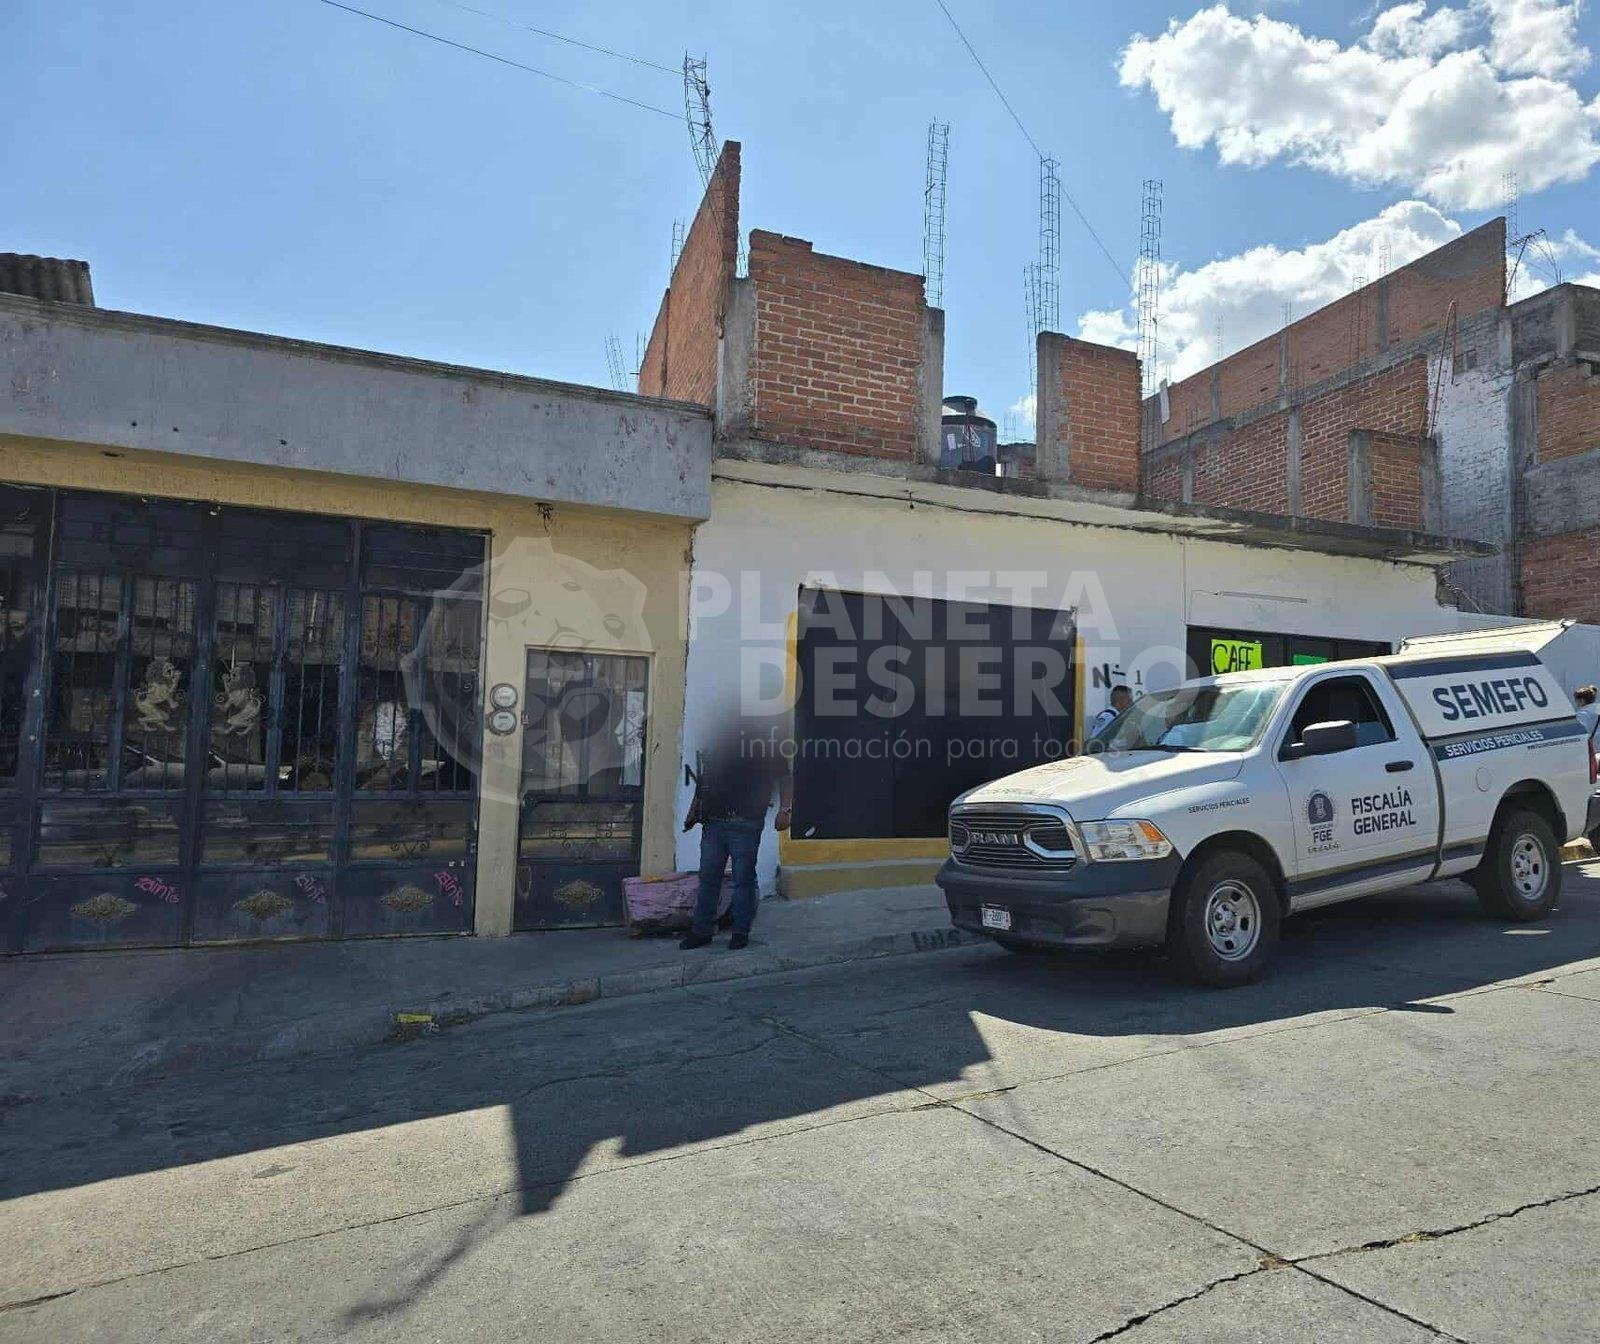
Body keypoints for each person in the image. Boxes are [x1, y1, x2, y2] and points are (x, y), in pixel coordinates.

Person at [680, 715, 793, 951]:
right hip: (714, 823)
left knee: (743, 879)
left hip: (746, 823)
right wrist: (693, 812)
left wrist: (785, 811)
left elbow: (784, 777)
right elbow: (704, 782)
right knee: (708, 878)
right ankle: (701, 931)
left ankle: (740, 932)